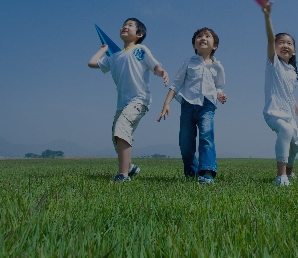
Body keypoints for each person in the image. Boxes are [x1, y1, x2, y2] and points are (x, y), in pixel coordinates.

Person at [88, 18, 169, 182]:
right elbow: (92, 63)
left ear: (139, 34)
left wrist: (161, 72)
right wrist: (103, 50)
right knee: (116, 137)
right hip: (122, 103)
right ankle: (130, 167)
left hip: (139, 100)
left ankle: (122, 175)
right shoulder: (115, 56)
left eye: (130, 25)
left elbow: (154, 66)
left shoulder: (141, 50)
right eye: (124, 25)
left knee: (122, 127)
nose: (125, 26)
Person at [157, 27, 226, 185]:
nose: (203, 38)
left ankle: (207, 173)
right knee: (185, 141)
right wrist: (166, 103)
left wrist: (220, 95)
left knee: (206, 136)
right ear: (194, 45)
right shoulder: (188, 62)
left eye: (207, 36)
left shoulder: (218, 66)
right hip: (188, 105)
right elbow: (176, 83)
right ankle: (192, 172)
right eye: (199, 36)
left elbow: (219, 86)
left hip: (207, 106)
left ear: (214, 45)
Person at [260, 0, 298, 186]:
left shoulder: (292, 73)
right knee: (287, 130)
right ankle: (280, 176)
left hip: (289, 114)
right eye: (280, 42)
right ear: (275, 47)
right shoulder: (274, 65)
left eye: (289, 43)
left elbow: (291, 97)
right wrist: (267, 16)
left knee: (296, 145)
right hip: (273, 113)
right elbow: (269, 37)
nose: (285, 45)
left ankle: (289, 173)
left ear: (294, 50)